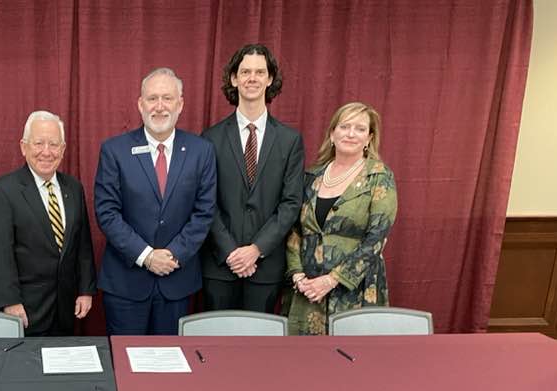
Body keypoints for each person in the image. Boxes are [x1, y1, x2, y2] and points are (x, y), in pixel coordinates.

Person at [94, 67, 216, 335]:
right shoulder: (114, 151)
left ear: (180, 104)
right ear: (140, 104)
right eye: (152, 98)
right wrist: (147, 256)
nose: (159, 106)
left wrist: (172, 255)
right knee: (125, 366)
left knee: (170, 367)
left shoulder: (201, 151)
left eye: (167, 98)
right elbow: (107, 212)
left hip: (177, 281)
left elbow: (204, 212)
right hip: (126, 284)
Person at [201, 44, 304, 313]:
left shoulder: (289, 140)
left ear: (270, 79)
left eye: (260, 72)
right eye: (245, 71)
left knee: (259, 351)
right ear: (234, 78)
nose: (252, 78)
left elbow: (291, 203)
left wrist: (256, 249)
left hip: (265, 268)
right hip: (220, 265)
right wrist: (231, 252)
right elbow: (204, 203)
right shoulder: (209, 139)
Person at [285, 102, 398, 335]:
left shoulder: (378, 176)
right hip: (308, 290)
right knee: (305, 363)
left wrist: (332, 280)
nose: (351, 133)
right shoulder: (312, 176)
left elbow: (376, 238)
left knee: (353, 364)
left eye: (359, 129)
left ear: (369, 138)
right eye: (345, 126)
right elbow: (294, 229)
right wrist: (297, 275)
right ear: (332, 134)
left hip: (354, 290)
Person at [0, 111, 96, 336]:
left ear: (63, 150)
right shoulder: (3, 191)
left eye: (54, 144)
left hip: (66, 308)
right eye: (39, 143)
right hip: (25, 310)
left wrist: (85, 290)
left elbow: (82, 245)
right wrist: (10, 301)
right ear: (24, 147)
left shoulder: (73, 188)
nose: (46, 151)